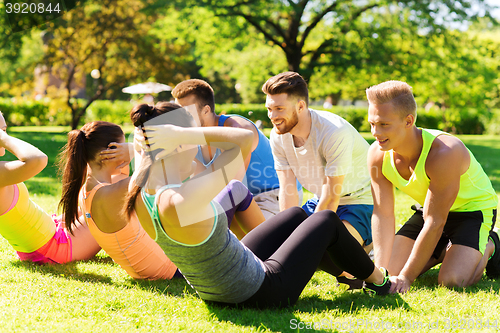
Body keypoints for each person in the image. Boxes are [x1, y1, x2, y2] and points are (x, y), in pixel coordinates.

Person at [125, 102, 392, 308]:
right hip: (261, 291)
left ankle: (349, 273)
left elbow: (148, 161)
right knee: (325, 220)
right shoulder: (181, 200)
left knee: (297, 214)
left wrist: (150, 142)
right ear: (179, 143)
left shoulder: (138, 192)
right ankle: (379, 281)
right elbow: (244, 140)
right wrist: (186, 133)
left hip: (217, 289)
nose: (196, 151)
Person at [366, 80, 500, 293]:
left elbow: (435, 222)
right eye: (372, 123)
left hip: (471, 212)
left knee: (452, 280)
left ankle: (491, 243)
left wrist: (407, 278)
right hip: (431, 208)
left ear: (408, 121)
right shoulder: (376, 154)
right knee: (391, 270)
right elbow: (382, 213)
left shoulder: (444, 152)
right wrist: (381, 273)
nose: (375, 132)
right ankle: (443, 250)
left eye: (383, 124)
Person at [262, 72, 374, 254]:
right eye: (269, 109)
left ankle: (370, 242)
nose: (272, 116)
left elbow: (331, 197)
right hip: (319, 199)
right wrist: (287, 233)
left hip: (359, 200)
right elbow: (288, 189)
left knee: (332, 254)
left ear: (300, 106)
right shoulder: (278, 134)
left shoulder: (334, 132)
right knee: (281, 241)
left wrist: (303, 242)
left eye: (279, 108)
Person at [58, 120, 179, 280]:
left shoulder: (88, 190)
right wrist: (135, 149)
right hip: (169, 270)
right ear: (110, 151)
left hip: (150, 269)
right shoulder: (111, 193)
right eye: (121, 146)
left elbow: (124, 173)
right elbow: (160, 165)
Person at [171, 79, 302, 220]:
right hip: (241, 199)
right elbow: (202, 182)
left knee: (216, 227)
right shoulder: (193, 137)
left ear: (206, 110)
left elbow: (233, 187)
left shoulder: (237, 129)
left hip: (272, 196)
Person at [0, 111, 100, 264]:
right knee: (110, 206)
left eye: (4, 130)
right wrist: (4, 138)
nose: (3, 136)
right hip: (54, 249)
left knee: (91, 200)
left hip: (49, 237)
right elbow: (37, 160)